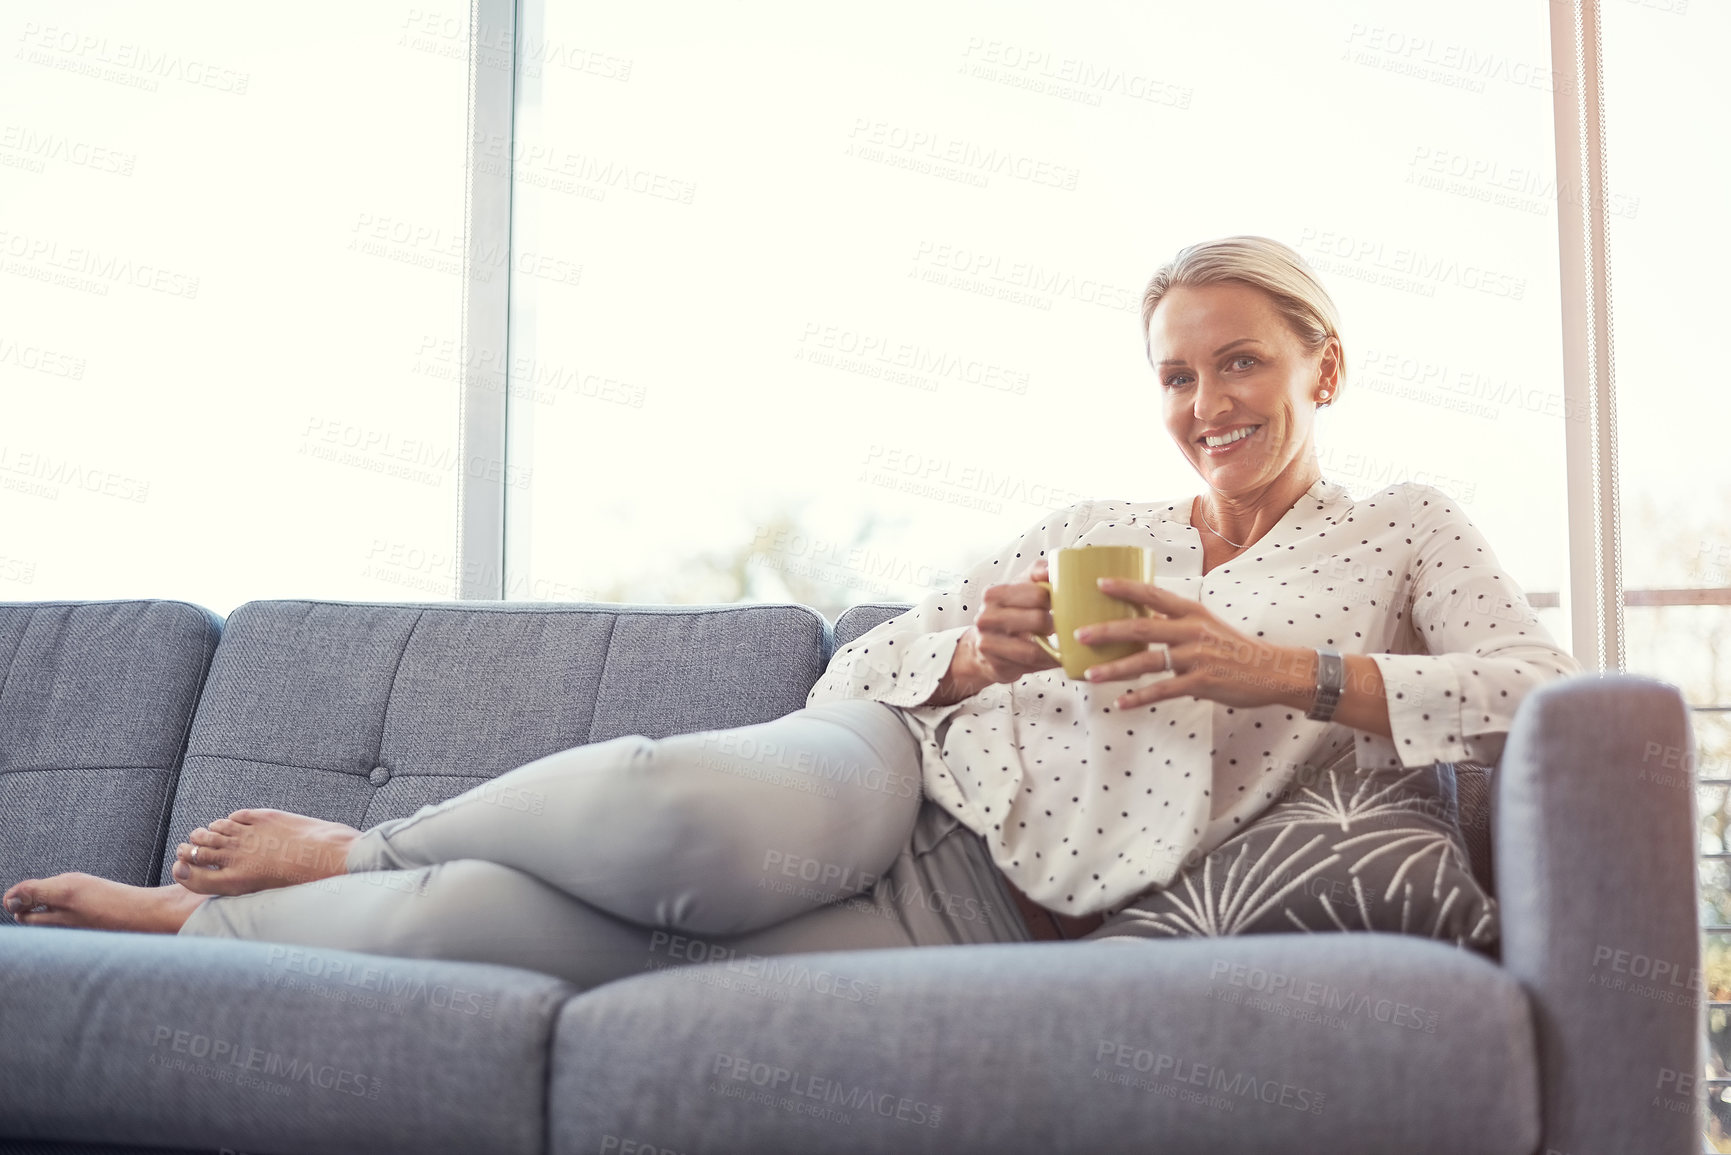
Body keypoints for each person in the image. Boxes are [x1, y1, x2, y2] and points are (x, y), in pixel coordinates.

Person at [2, 235, 1580, 989]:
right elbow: (869, 656)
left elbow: (1543, 690)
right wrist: (975, 649)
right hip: (897, 768)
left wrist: (1289, 672)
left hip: (991, 909)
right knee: (671, 808)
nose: (1209, 398)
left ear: (1323, 366)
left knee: (526, 947)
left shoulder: (1402, 531)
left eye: (1241, 360)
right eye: (1178, 371)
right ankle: (351, 845)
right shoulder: (1100, 526)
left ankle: (188, 924)